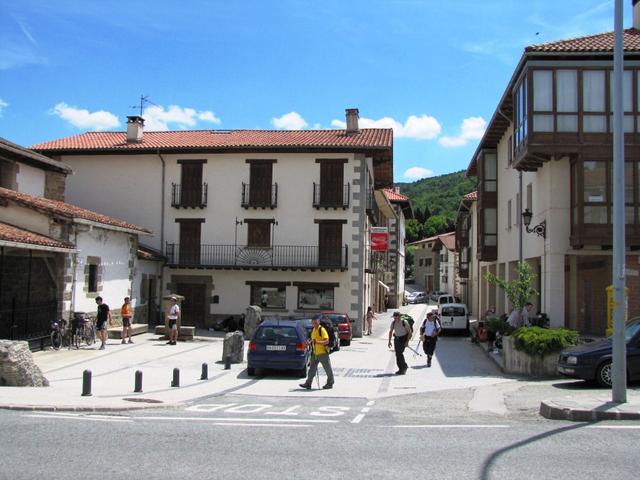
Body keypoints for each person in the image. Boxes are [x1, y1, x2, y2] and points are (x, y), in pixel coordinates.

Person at [299, 315, 335, 390]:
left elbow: (326, 341)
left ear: (318, 322)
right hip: (315, 353)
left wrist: (317, 342)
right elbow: (312, 339)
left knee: (328, 369)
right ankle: (308, 383)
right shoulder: (313, 330)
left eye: (315, 322)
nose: (314, 324)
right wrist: (309, 342)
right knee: (311, 369)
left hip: (323, 353)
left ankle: (330, 383)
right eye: (313, 323)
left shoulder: (322, 330)